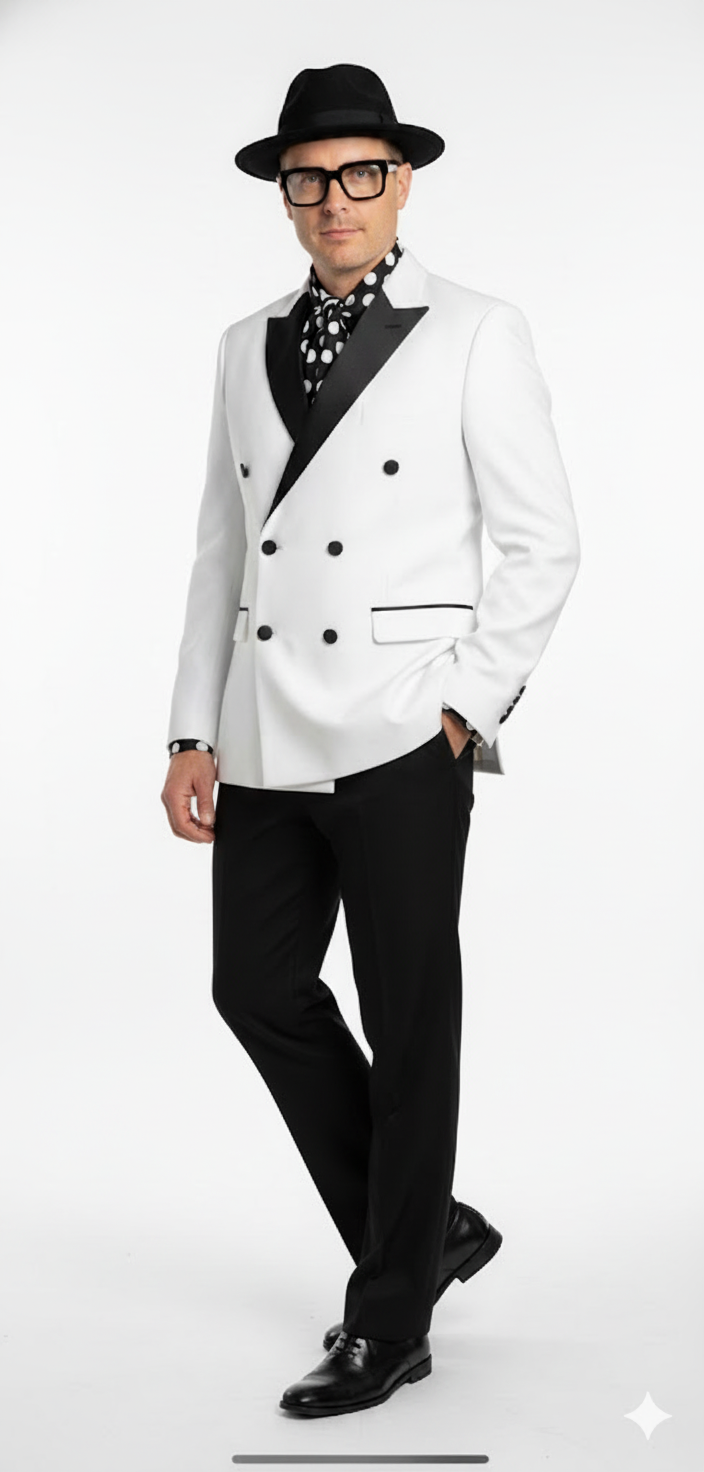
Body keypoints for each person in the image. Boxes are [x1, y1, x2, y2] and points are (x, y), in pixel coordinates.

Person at [160, 62, 580, 1417]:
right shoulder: (242, 344)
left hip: (402, 730)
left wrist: (464, 708)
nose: (334, 199)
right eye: (309, 179)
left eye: (360, 174)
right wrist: (190, 727)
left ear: (402, 184)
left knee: (410, 1026)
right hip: (262, 732)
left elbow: (543, 543)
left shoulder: (476, 330)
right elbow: (223, 550)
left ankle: (389, 1319)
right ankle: (426, 1228)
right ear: (283, 196)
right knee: (255, 988)